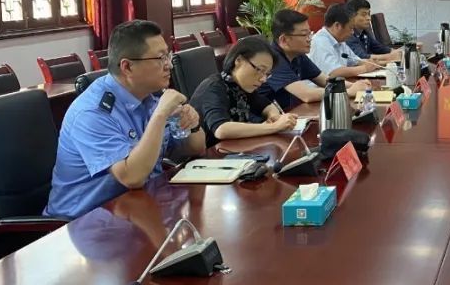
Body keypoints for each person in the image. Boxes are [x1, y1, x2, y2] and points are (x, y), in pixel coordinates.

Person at [47, 20, 206, 219]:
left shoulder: (149, 96)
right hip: (85, 221)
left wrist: (192, 124)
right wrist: (160, 115)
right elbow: (132, 177)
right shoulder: (92, 113)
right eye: (160, 58)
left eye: (168, 55)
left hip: (139, 207)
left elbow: (195, 148)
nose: (169, 65)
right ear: (127, 67)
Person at [189, 36, 299, 146]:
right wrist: (273, 127)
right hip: (213, 153)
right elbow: (221, 129)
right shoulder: (214, 87)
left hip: (236, 149)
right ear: (238, 60)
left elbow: (268, 106)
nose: (263, 79)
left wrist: (273, 116)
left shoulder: (241, 85)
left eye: (267, 74)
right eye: (260, 70)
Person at [258, 9, 369, 110]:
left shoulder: (298, 55)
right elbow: (307, 95)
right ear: (284, 40)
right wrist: (348, 92)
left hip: (294, 112)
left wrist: (356, 85)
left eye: (309, 33)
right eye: (304, 35)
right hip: (269, 120)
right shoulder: (272, 60)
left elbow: (325, 80)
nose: (309, 39)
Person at [309, 2, 383, 79]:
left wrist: (370, 63)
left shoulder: (340, 41)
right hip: (320, 86)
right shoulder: (320, 42)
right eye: (350, 28)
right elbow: (334, 72)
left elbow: (355, 61)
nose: (352, 32)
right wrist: (365, 68)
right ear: (337, 25)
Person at [345, 0, 401, 64]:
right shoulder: (348, 35)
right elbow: (361, 57)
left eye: (369, 14)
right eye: (364, 15)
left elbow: (380, 48)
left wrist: (396, 52)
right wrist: (390, 57)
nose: (368, 18)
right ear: (351, 16)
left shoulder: (364, 33)